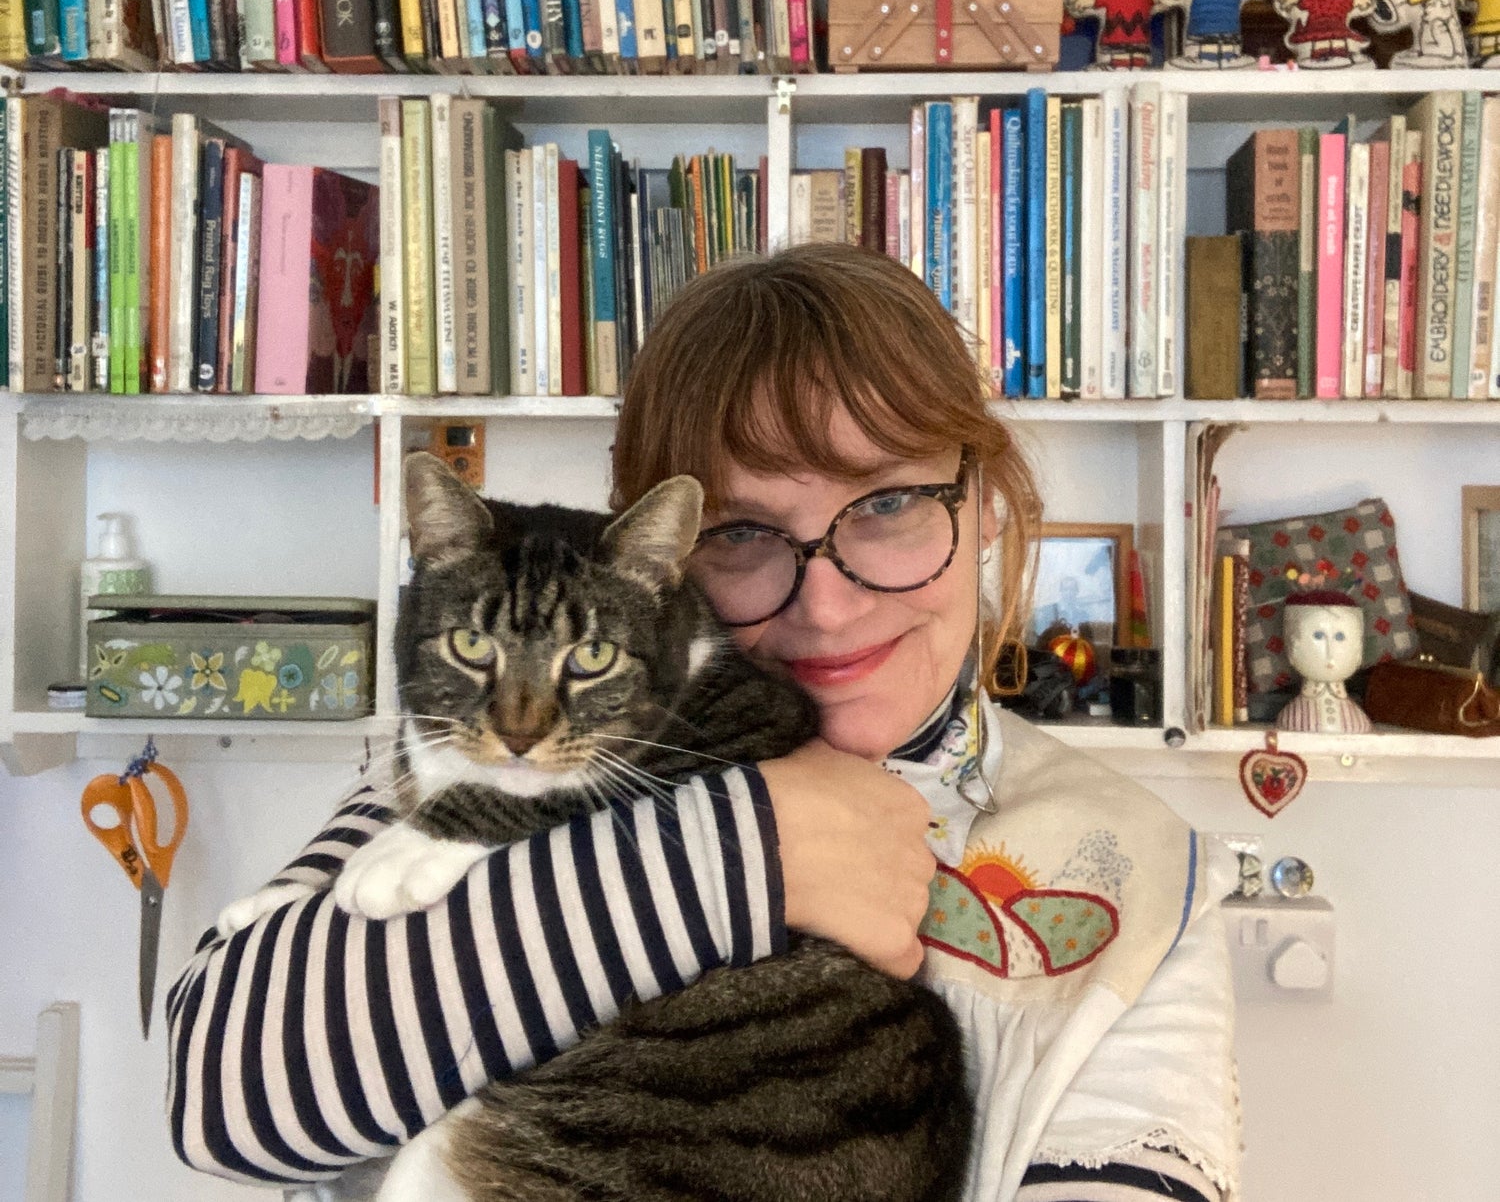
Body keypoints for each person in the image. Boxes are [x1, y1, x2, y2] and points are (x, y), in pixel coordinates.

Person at [167, 244, 1238, 1202]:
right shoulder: (520, 759)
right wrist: (745, 859)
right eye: (739, 533)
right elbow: (220, 1101)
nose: (829, 602)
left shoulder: (1148, 882)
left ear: (986, 502)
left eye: (889, 504)